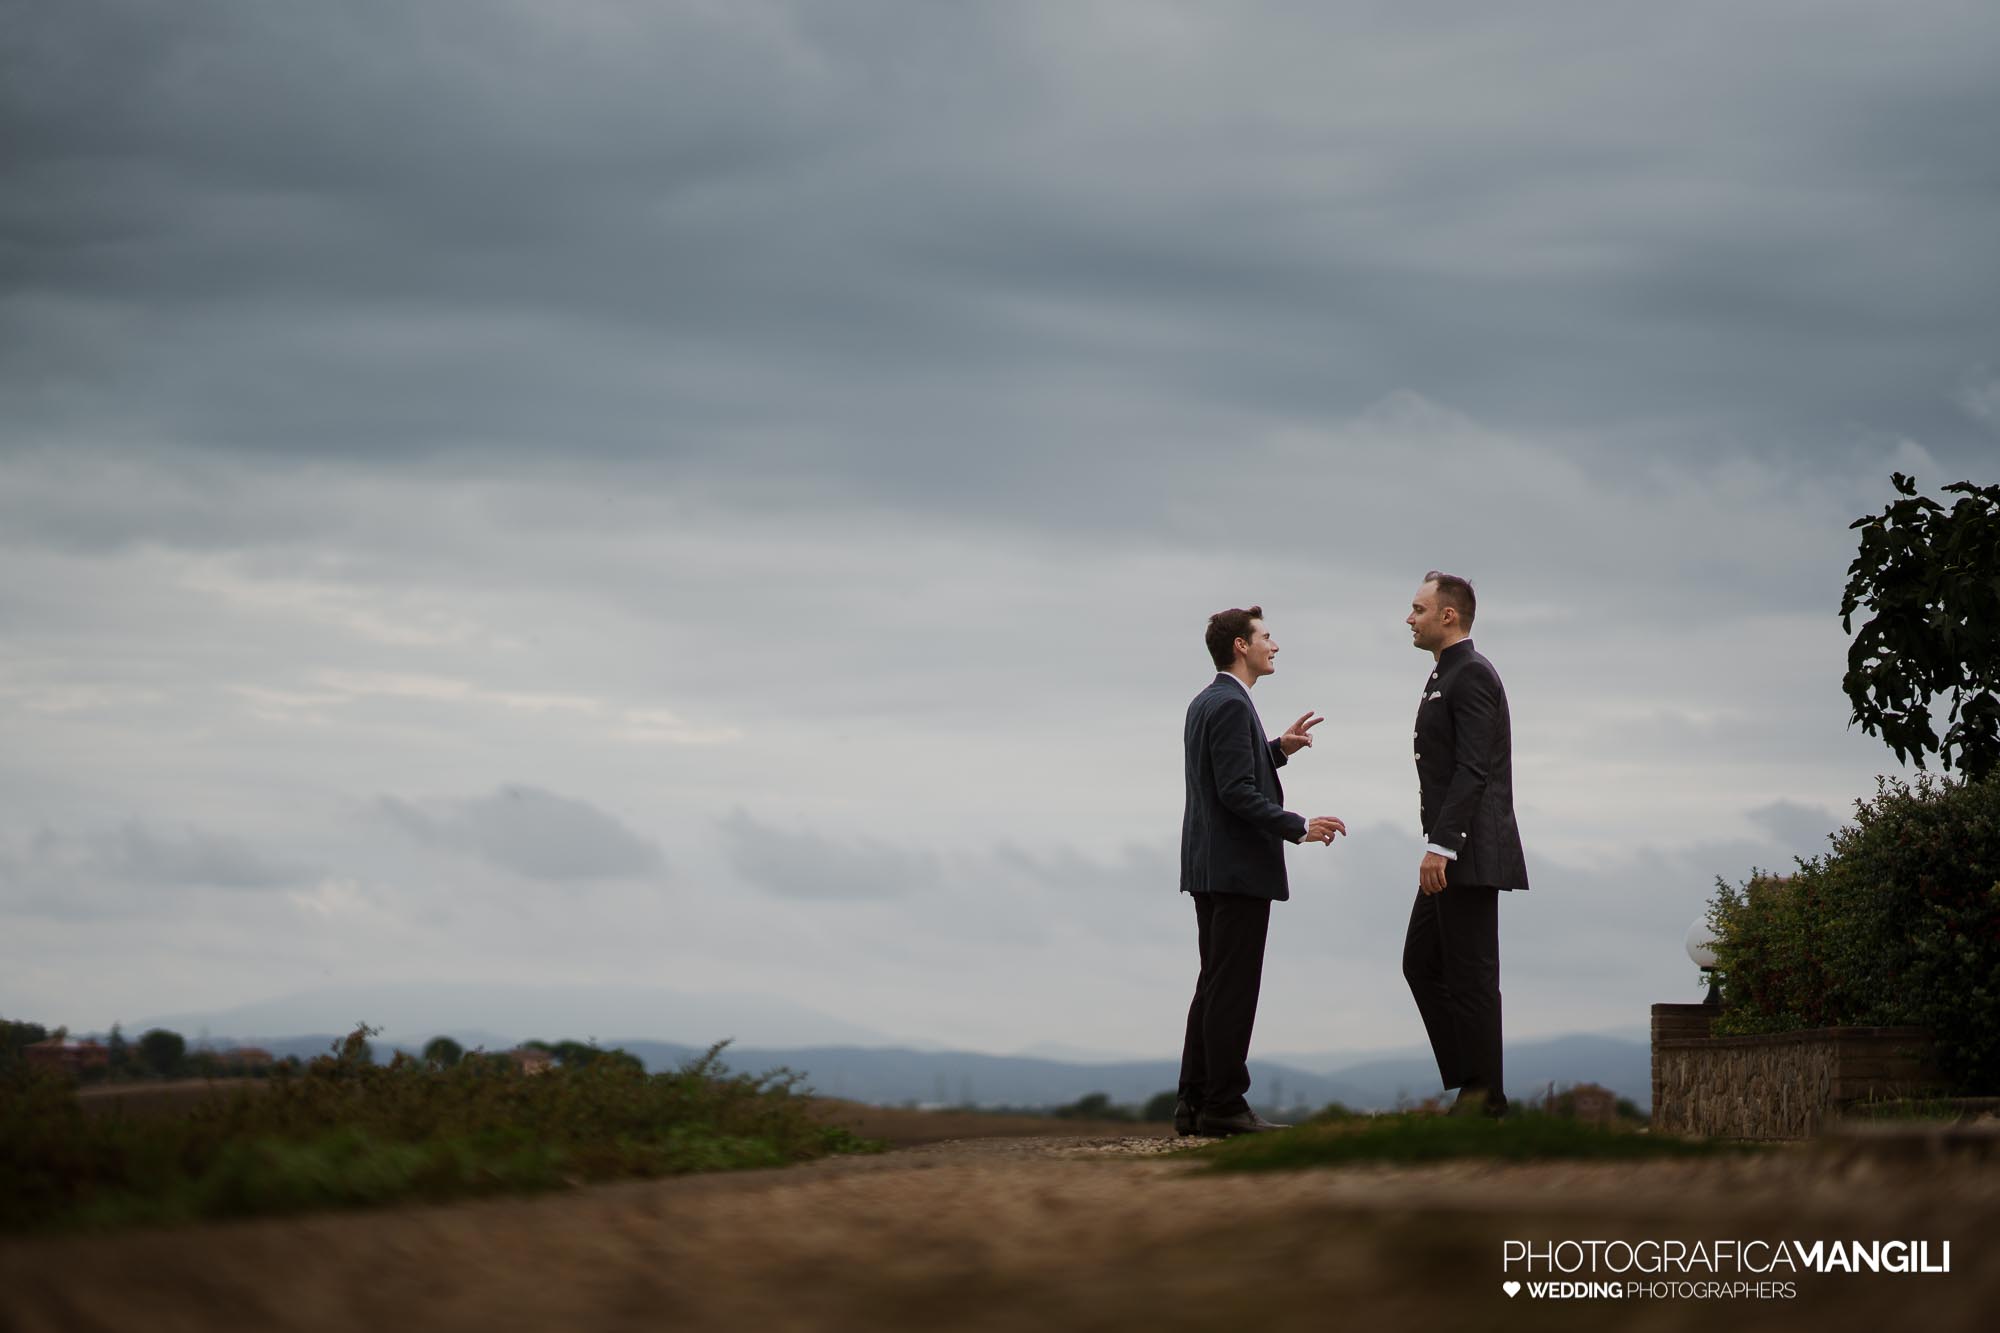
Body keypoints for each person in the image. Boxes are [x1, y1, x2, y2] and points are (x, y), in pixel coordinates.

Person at [1177, 606, 1345, 1137]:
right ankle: (1224, 1105)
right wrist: (1298, 826)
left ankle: (1194, 1103)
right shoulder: (1230, 705)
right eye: (1266, 637)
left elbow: (1231, 772)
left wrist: (1278, 749)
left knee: (1214, 985)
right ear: (1241, 647)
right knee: (1232, 989)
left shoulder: (1210, 700)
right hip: (1238, 870)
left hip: (1210, 868)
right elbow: (1235, 792)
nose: (1275, 645)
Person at [1403, 571, 1529, 1117]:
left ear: (1447, 615)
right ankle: (1475, 1085)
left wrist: (1443, 847)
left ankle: (1484, 1097)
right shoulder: (1444, 675)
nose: (1410, 618)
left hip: (1468, 854)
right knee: (1421, 962)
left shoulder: (1471, 674)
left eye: (1418, 609)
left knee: (1472, 976)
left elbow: (1473, 770)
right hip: (1453, 851)